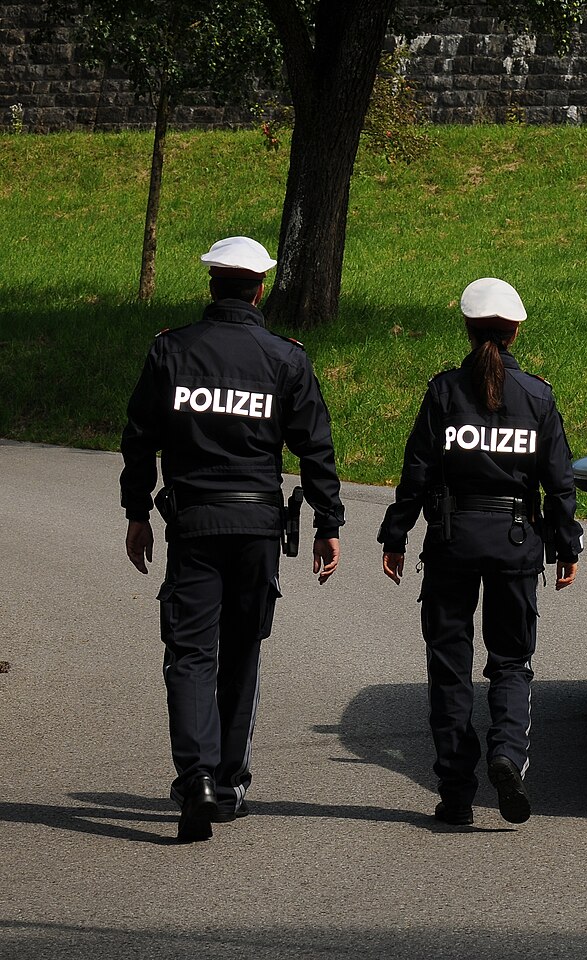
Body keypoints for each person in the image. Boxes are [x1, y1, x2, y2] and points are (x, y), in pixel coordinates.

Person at [120, 236, 345, 843]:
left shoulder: (172, 351)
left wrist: (137, 511)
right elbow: (315, 448)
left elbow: (140, 437)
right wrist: (328, 523)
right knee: (242, 650)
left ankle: (193, 778)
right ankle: (227, 784)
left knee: (190, 654)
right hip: (256, 530)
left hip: (191, 526)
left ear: (212, 286)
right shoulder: (285, 359)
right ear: (260, 290)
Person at [378, 277, 582, 827]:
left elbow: (417, 473)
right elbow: (559, 483)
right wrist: (567, 547)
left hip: (450, 543)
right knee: (511, 661)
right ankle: (507, 755)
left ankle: (456, 793)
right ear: (515, 331)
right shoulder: (538, 396)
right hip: (517, 544)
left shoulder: (444, 392)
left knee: (450, 669)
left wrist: (394, 536)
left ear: (468, 330)